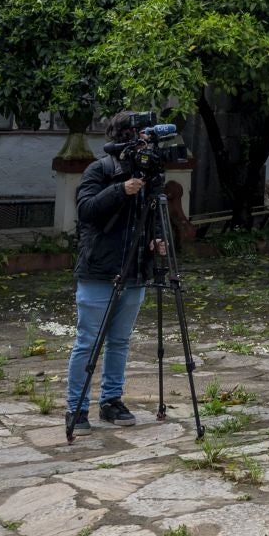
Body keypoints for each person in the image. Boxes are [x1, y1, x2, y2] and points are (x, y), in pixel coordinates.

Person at [66, 110, 163, 432]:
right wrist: (121, 189)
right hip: (100, 270)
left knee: (120, 341)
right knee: (88, 341)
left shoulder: (150, 174)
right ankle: (76, 408)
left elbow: (152, 217)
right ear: (125, 134)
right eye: (141, 133)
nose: (145, 139)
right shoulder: (101, 169)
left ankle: (111, 401)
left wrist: (156, 241)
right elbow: (85, 211)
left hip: (135, 270)